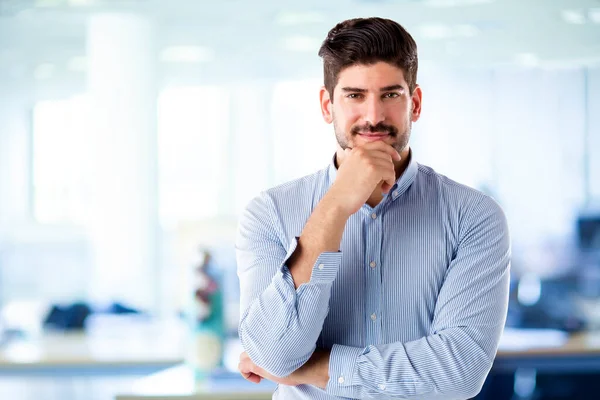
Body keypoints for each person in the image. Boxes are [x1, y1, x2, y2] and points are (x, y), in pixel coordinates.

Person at [236, 16, 510, 400]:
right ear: (326, 105)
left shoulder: (474, 216)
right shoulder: (269, 214)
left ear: (414, 103)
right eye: (354, 95)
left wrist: (312, 369)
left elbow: (459, 371)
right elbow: (275, 352)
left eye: (390, 95)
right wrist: (334, 208)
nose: (373, 116)